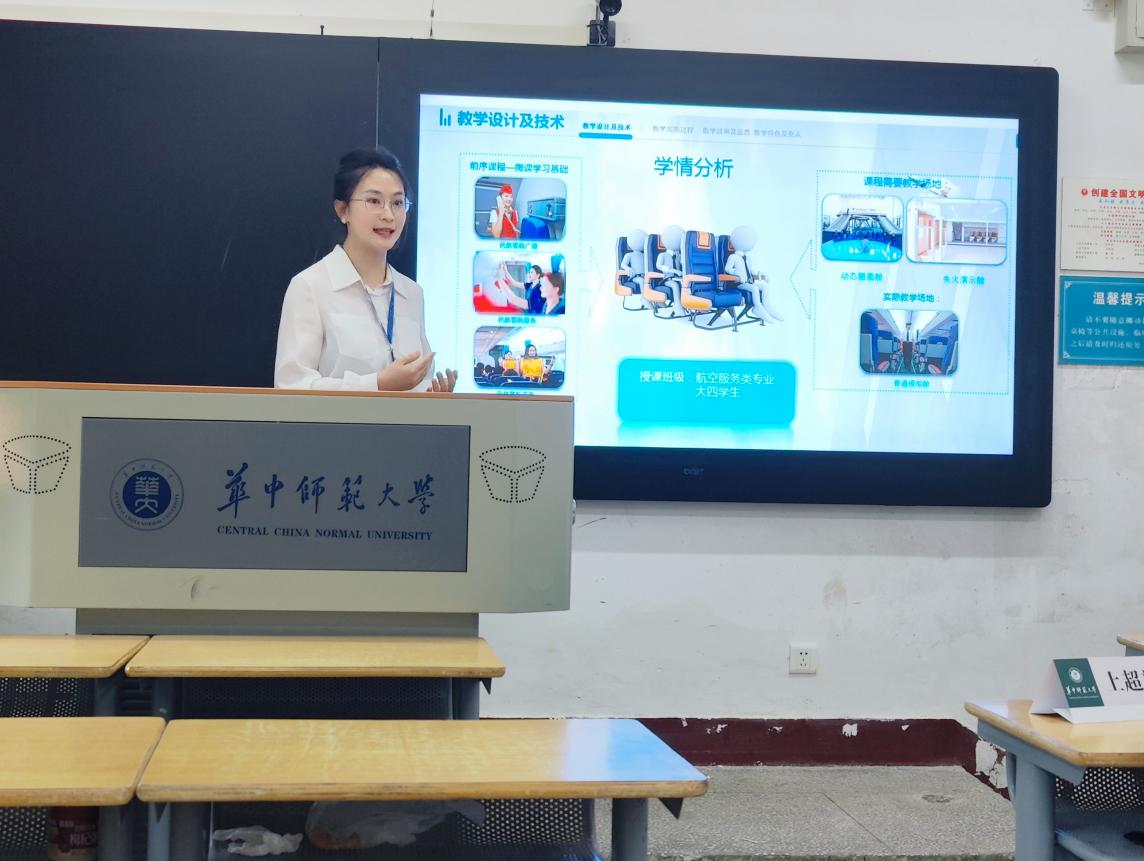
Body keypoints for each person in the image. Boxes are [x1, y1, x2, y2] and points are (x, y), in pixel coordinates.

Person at [275, 147, 457, 392]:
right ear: (343, 210)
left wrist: (433, 397)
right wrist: (378, 384)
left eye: (397, 203)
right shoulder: (310, 287)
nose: (388, 215)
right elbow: (291, 386)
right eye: (374, 201)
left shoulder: (412, 294)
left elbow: (417, 386)